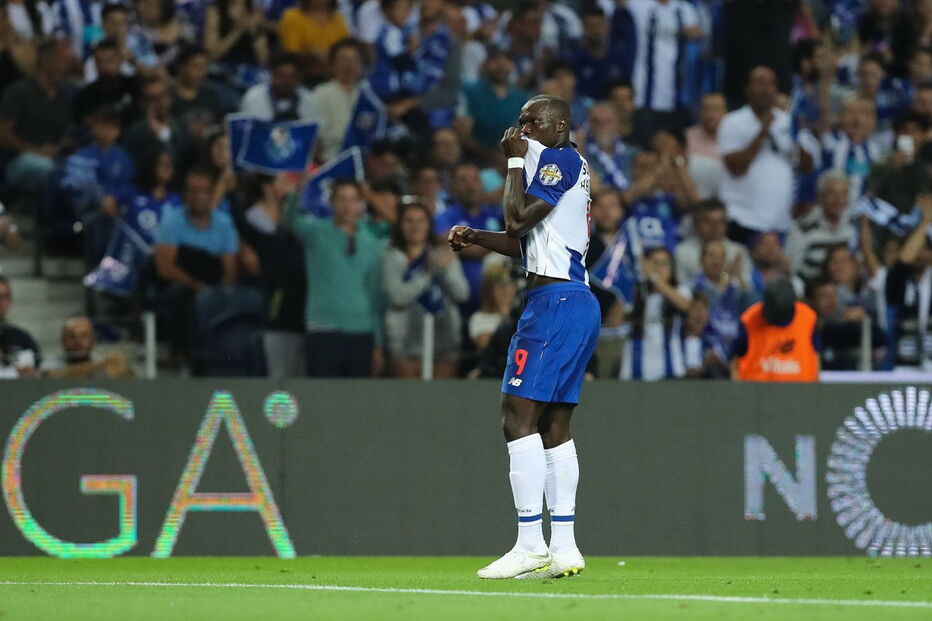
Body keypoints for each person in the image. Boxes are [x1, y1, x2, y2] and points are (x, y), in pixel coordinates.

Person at [447, 94, 599, 579]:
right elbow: (522, 242)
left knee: (517, 416)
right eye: (520, 122)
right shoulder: (566, 163)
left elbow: (516, 218)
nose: (523, 129)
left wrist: (514, 160)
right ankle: (566, 547)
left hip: (554, 306)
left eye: (534, 122)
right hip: (571, 301)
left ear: (560, 126)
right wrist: (475, 236)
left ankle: (530, 543)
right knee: (553, 426)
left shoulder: (555, 158)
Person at [284, 179, 385, 377]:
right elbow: (290, 220)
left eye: (353, 199)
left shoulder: (371, 242)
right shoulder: (315, 231)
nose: (347, 206)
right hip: (324, 329)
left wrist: (378, 344)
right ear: (331, 203)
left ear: (361, 203)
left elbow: (374, 297)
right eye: (341, 199)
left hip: (361, 332)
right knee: (324, 399)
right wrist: (297, 192)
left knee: (356, 400)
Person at [718, 66, 814, 245]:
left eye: (771, 84)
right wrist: (763, 131)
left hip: (779, 222)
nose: (766, 89)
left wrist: (795, 138)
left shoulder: (788, 122)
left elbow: (807, 166)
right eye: (760, 84)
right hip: (742, 218)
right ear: (747, 89)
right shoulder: (732, 121)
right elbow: (736, 168)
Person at [383, 201, 469, 378]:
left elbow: (462, 293)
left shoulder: (444, 253)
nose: (415, 226)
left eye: (421, 220)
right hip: (404, 343)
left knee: (441, 402)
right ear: (400, 225)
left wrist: (444, 269)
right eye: (409, 221)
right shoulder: (392, 256)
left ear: (429, 225)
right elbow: (398, 296)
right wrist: (428, 273)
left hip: (444, 340)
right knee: (408, 401)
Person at [236, 173, 307, 378]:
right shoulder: (271, 238)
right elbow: (243, 224)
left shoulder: (308, 234)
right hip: (280, 320)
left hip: (310, 319)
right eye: (283, 181)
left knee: (308, 388)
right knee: (280, 385)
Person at [0, 37, 75, 194]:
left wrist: (61, 145)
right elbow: (3, 134)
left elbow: (71, 131)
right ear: (45, 60)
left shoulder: (68, 94)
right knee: (52, 170)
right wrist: (36, 150)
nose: (66, 66)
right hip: (18, 160)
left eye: (68, 61)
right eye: (61, 60)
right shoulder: (19, 92)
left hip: (57, 157)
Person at [620, 245, 692, 380]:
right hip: (635, 366)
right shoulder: (636, 293)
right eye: (655, 263)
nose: (660, 268)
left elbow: (686, 306)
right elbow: (615, 321)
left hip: (671, 367)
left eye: (664, 263)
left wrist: (654, 278)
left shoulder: (681, 290)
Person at [731, 278, 820, 382]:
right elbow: (735, 361)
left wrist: (815, 391)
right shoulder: (749, 320)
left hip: (800, 393)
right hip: (756, 394)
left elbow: (815, 356)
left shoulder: (808, 318)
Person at [785, 171, 855, 281]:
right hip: (811, 293)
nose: (838, 200)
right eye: (832, 194)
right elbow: (791, 271)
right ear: (820, 196)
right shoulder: (802, 228)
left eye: (843, 194)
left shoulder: (853, 226)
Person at [675, 198, 751, 287]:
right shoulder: (682, 252)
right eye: (707, 221)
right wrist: (728, 275)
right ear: (696, 223)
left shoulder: (738, 251)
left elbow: (745, 287)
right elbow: (683, 287)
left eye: (720, 222)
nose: (715, 227)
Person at [43, 316, 133, 378]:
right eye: (71, 337)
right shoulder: (50, 363)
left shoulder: (101, 360)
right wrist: (100, 365)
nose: (78, 342)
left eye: (84, 336)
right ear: (62, 341)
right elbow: (53, 376)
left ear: (94, 340)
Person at [240, 52, 318, 121]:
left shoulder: (310, 100)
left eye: (291, 77)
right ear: (272, 75)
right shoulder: (253, 98)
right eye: (281, 75)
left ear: (300, 78)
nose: (286, 81)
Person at [0, 275, 40, 378]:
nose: (1, 302)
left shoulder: (22, 338)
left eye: (4, 297)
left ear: (10, 301)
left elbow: (37, 370)